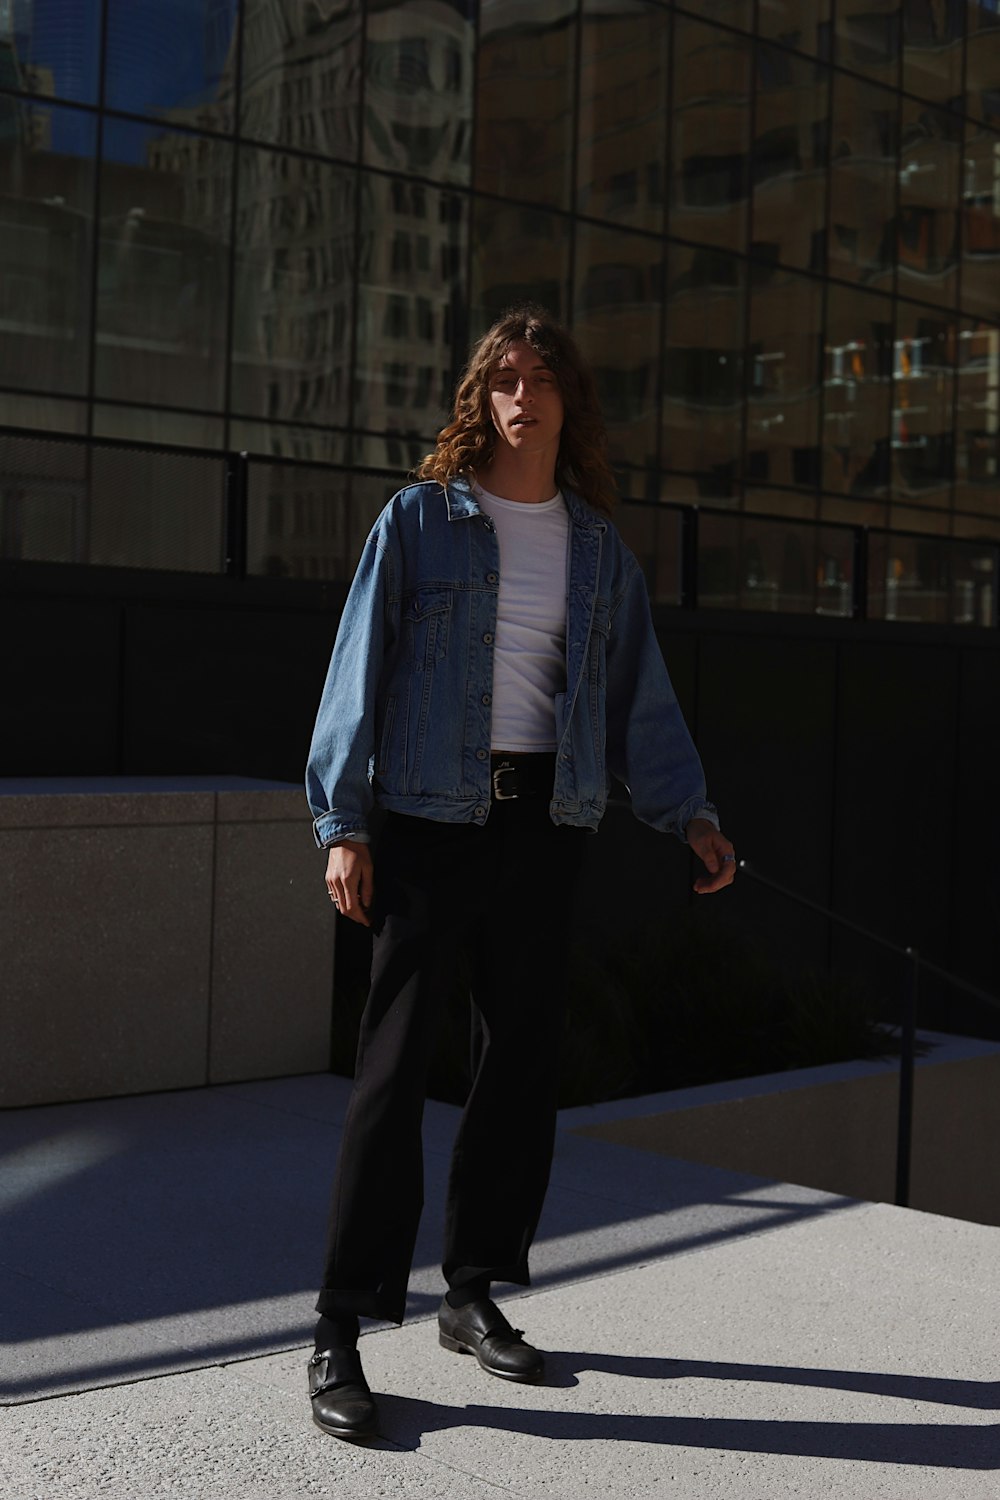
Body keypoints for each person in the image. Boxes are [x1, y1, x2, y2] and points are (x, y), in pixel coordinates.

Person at [304, 304, 735, 1440]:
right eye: (503, 375)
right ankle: (340, 1327)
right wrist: (343, 823)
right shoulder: (421, 523)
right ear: (480, 399)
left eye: (542, 376)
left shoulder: (594, 549)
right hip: (429, 821)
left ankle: (470, 1294)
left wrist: (688, 813)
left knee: (519, 1070)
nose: (522, 393)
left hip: (548, 826)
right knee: (393, 1079)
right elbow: (358, 669)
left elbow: (640, 697)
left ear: (566, 402)